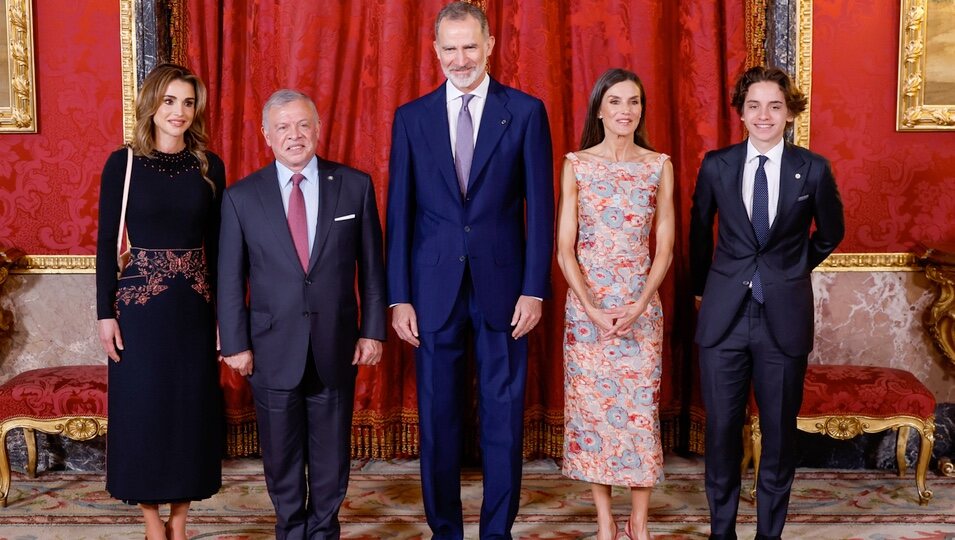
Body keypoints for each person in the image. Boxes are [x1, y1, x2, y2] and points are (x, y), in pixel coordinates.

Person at [385, 2, 554, 538]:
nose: (460, 58)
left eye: (470, 46)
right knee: (438, 419)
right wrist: (398, 297)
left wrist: (534, 290)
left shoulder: (525, 112)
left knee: (503, 418)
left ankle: (497, 531)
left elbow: (540, 210)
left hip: (505, 291)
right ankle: (445, 531)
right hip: (432, 291)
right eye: (450, 48)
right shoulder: (411, 118)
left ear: (490, 45)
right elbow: (400, 212)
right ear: (436, 51)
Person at [217, 89, 386, 540]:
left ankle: (324, 530)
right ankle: (291, 530)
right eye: (283, 128)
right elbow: (230, 279)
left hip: (336, 343)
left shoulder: (354, 185)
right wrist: (234, 344)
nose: (294, 136)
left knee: (331, 454)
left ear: (318, 128)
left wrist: (372, 332)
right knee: (282, 455)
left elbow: (372, 269)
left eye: (303, 125)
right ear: (266, 136)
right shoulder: (240, 197)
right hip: (271, 347)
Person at [689, 66, 845, 540]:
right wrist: (701, 290)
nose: (764, 115)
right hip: (722, 319)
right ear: (740, 112)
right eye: (754, 105)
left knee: (778, 436)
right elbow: (698, 233)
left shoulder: (812, 167)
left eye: (774, 106)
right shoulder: (717, 164)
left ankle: (768, 535)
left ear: (789, 113)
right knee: (721, 434)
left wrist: (790, 270)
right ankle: (722, 532)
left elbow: (831, 232)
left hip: (783, 318)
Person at [95, 63, 225, 540]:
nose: (180, 112)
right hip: (140, 311)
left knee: (188, 411)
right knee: (144, 410)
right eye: (170, 101)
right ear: (152, 105)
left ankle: (180, 521)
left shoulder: (209, 166)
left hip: (194, 308)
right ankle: (152, 522)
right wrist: (104, 314)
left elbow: (221, 248)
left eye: (188, 103)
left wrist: (224, 319)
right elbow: (106, 241)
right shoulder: (123, 164)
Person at [556, 68, 674, 540]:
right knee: (595, 415)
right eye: (617, 102)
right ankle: (606, 523)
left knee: (640, 414)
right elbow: (566, 247)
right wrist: (589, 306)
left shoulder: (658, 164)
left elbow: (664, 245)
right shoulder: (576, 164)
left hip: (640, 310)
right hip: (588, 312)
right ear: (599, 109)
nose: (626, 111)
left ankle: (638, 523)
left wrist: (642, 302)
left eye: (634, 102)